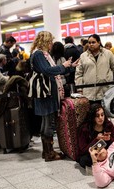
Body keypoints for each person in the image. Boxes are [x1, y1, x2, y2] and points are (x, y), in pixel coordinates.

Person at [28, 31, 79, 162]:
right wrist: (63, 66)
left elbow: (53, 70)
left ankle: (47, 152)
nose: (51, 44)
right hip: (47, 94)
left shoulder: (40, 54)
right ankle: (49, 153)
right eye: (50, 41)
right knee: (49, 122)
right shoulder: (40, 54)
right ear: (45, 41)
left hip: (47, 93)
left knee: (46, 122)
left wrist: (69, 67)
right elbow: (47, 71)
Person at [75, 34, 114, 104]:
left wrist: (107, 76)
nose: (91, 44)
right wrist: (80, 90)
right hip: (88, 93)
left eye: (93, 42)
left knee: (105, 114)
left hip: (105, 92)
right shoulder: (83, 56)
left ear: (99, 42)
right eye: (89, 43)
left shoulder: (108, 54)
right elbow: (79, 74)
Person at [77, 103, 114, 169]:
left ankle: (103, 164)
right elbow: (83, 150)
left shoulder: (108, 125)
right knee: (84, 160)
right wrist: (96, 140)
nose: (100, 118)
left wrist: (109, 139)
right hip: (91, 153)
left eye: (102, 115)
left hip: (107, 151)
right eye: (97, 116)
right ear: (92, 117)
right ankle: (104, 164)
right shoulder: (85, 129)